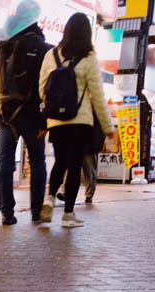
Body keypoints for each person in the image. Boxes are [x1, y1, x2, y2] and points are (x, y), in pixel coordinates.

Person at [38, 12, 114, 228]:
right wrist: (108, 127)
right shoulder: (89, 58)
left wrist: (52, 110)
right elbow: (97, 95)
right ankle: (68, 215)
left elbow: (42, 88)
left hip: (57, 122)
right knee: (74, 166)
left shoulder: (51, 55)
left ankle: (50, 198)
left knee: (60, 161)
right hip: (81, 122)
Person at [0, 0, 50, 225]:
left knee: (6, 159)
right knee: (37, 160)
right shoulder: (42, 47)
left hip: (5, 112)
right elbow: (47, 86)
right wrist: (45, 118)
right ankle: (36, 211)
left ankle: (7, 212)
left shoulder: (1, 44)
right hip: (32, 114)